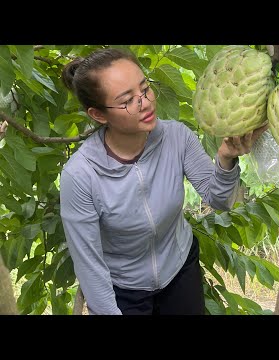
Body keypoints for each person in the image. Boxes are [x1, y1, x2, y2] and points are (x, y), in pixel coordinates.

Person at [59, 48, 268, 315]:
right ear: (99, 115)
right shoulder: (81, 175)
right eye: (126, 101)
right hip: (124, 289)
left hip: (179, 270)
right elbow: (90, 264)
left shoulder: (176, 137)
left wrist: (226, 158)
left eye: (145, 89)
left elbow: (219, 199)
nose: (144, 103)